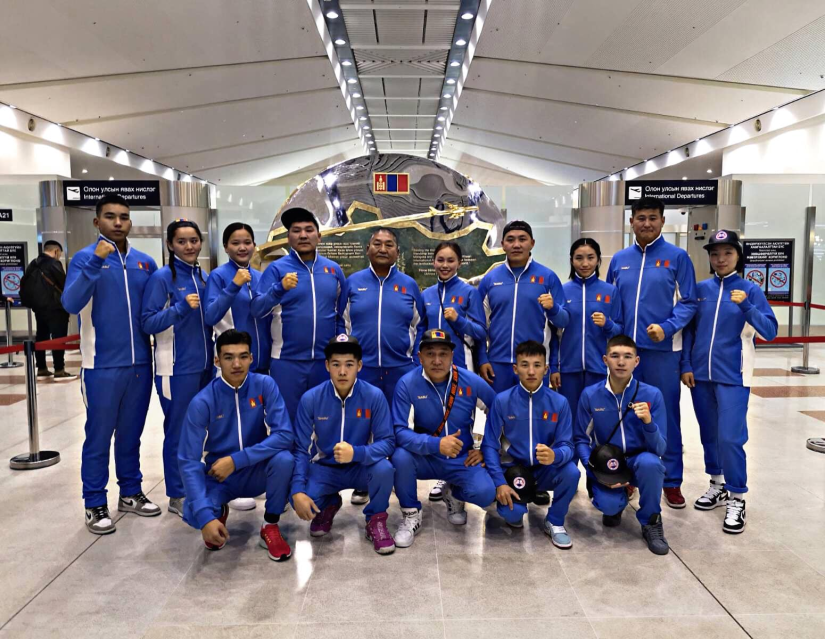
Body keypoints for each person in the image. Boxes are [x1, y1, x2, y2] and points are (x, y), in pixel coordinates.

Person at [62, 194, 160, 534]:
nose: (118, 222)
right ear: (97, 222)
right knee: (99, 436)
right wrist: (95, 262)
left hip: (140, 364)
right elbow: (71, 303)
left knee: (131, 434)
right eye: (110, 216)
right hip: (101, 365)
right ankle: (94, 502)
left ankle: (130, 492)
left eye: (124, 216)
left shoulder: (145, 263)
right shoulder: (84, 258)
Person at [680, 230, 778, 534]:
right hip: (700, 375)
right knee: (709, 434)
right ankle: (717, 484)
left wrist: (747, 306)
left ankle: (737, 496)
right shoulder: (700, 290)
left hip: (734, 375)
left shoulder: (750, 290)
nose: (720, 259)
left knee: (730, 438)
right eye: (715, 254)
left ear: (738, 256)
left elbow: (770, 331)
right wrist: (686, 365)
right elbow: (690, 331)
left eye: (727, 253)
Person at [606, 197, 696, 508]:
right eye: (641, 218)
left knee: (665, 415)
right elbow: (611, 303)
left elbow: (689, 302)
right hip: (625, 356)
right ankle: (630, 475)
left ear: (662, 221)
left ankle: (671, 480)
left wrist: (668, 328)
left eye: (653, 218)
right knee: (626, 414)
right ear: (631, 221)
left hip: (662, 352)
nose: (646, 223)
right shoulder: (619, 260)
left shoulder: (677, 258)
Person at [177, 329, 295, 561]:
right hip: (220, 477)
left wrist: (236, 460)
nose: (237, 364)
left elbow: (284, 435)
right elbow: (188, 461)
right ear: (217, 361)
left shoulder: (265, 385)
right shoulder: (203, 401)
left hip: (255, 470)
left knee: (285, 460)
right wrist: (206, 518)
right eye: (229, 357)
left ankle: (270, 526)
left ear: (251, 358)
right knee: (192, 510)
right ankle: (217, 511)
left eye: (243, 356)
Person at [390, 329, 496, 548]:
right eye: (430, 354)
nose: (437, 360)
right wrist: (436, 444)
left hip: (461, 458)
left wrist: (485, 449)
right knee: (399, 457)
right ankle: (411, 514)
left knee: (485, 493)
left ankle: (454, 494)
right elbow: (400, 432)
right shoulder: (407, 384)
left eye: (443, 354)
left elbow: (498, 413)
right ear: (420, 357)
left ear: (452, 356)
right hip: (425, 457)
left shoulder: (471, 381)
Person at [291, 335, 397, 554]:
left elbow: (388, 442)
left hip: (360, 467)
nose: (342, 372)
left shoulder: (374, 396)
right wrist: (298, 490)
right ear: (327, 365)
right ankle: (329, 504)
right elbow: (300, 449)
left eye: (349, 364)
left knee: (384, 469)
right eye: (336, 364)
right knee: (295, 497)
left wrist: (356, 453)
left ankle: (376, 520)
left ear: (359, 365)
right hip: (325, 469)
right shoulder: (311, 398)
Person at [343, 227, 426, 505]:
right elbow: (341, 323)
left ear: (397, 252)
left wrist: (415, 359)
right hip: (363, 369)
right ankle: (363, 481)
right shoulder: (353, 283)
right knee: (362, 425)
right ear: (367, 249)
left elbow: (420, 325)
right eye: (377, 243)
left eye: (389, 244)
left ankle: (395, 476)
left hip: (400, 368)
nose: (382, 248)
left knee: (396, 425)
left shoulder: (409, 285)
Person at [141, 219, 214, 518]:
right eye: (181, 241)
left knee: (200, 430)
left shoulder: (203, 276)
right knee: (178, 432)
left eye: (194, 240)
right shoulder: (162, 278)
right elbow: (148, 322)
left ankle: (195, 485)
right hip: (175, 368)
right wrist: (180, 308)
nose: (189, 246)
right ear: (170, 244)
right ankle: (177, 493)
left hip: (204, 367)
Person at [574, 335, 670, 555]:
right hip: (608, 464)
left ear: (636, 361)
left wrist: (648, 423)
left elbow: (660, 449)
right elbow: (581, 439)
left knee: (652, 464)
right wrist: (593, 470)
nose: (621, 362)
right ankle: (616, 501)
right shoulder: (591, 395)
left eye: (627, 356)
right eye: (615, 356)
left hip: (639, 460)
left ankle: (651, 521)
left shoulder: (651, 394)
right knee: (609, 507)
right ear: (605, 359)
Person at [251, 208, 347, 421]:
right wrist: (279, 289)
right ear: (288, 237)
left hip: (324, 361)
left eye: (309, 230)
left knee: (325, 420)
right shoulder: (276, 269)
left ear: (319, 236)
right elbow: (257, 309)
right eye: (296, 231)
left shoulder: (333, 270)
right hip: (287, 361)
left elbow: (341, 315)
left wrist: (339, 351)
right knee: (288, 421)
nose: (303, 235)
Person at [482, 340, 580, 548]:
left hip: (544, 470)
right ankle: (516, 505)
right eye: (525, 365)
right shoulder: (502, 401)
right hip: (513, 471)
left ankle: (555, 521)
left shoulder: (559, 402)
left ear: (546, 369)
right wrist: (499, 482)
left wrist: (555, 455)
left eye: (537, 365)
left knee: (572, 472)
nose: (531, 371)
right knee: (513, 514)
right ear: (515, 368)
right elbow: (489, 445)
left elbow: (568, 446)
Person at [204, 222, 271, 511]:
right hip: (235, 363)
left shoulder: (261, 277)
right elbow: (210, 315)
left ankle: (253, 477)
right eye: (235, 242)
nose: (242, 247)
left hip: (262, 361)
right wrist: (234, 285)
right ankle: (233, 481)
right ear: (226, 247)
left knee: (256, 423)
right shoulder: (219, 276)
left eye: (247, 242)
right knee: (234, 424)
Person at [421, 241, 487, 502]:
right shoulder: (427, 294)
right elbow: (420, 331)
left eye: (450, 260)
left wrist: (458, 320)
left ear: (459, 263)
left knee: (460, 419)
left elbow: (480, 332)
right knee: (436, 418)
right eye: (440, 260)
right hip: (431, 368)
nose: (445, 265)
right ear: (433, 262)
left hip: (460, 365)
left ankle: (458, 474)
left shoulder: (469, 293)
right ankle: (442, 472)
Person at [477, 220, 569, 393]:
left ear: (532, 243)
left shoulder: (548, 277)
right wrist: (482, 358)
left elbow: (563, 322)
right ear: (503, 244)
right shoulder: (490, 280)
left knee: (533, 409)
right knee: (498, 409)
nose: (516, 245)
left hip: (534, 364)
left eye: (522, 239)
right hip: (497, 363)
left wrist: (553, 309)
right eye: (510, 239)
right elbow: (479, 325)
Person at [549, 238, 622, 429]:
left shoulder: (610, 291)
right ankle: (570, 450)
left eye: (590, 257)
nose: (585, 263)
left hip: (598, 368)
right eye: (579, 258)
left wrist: (607, 324)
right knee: (569, 420)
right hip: (567, 369)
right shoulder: (562, 291)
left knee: (597, 420)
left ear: (598, 260)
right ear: (571, 260)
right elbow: (554, 335)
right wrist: (554, 368)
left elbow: (619, 332)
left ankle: (595, 450)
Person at [21, 240, 76, 380]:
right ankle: (59, 369)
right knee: (59, 338)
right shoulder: (53, 264)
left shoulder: (33, 264)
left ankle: (41, 368)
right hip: (55, 308)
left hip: (38, 308)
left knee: (41, 337)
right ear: (56, 251)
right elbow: (65, 284)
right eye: (59, 254)